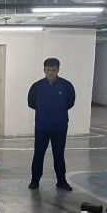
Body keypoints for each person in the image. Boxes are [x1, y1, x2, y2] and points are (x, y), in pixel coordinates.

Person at [28, 58, 75, 191]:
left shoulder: (66, 86)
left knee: (59, 155)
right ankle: (35, 181)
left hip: (60, 127)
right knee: (38, 154)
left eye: (53, 70)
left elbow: (70, 102)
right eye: (48, 70)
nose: (51, 72)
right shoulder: (37, 86)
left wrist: (57, 111)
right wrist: (44, 111)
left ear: (58, 70)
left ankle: (61, 181)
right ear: (44, 70)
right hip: (42, 126)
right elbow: (31, 103)